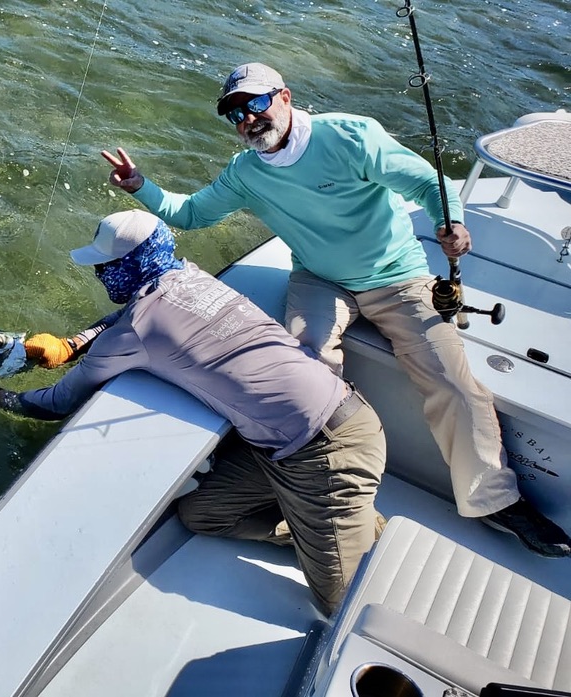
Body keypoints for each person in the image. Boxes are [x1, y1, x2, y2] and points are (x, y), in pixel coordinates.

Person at [97, 62, 571, 557]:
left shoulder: (350, 136)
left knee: (449, 378)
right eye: (234, 112)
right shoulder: (246, 173)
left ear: (285, 95)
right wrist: (139, 186)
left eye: (255, 103)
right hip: (320, 279)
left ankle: (495, 502)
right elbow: (190, 214)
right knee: (305, 369)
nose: (247, 119)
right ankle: (304, 484)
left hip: (398, 275)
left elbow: (429, 185)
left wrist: (450, 223)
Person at [0, 209, 387, 615]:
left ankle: (352, 529)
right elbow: (135, 309)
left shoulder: (133, 331)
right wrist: (74, 343)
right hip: (301, 437)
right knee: (202, 515)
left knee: (340, 605)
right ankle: (327, 528)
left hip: (327, 455)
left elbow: (51, 406)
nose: (100, 273)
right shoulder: (192, 277)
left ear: (128, 264)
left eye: (105, 265)